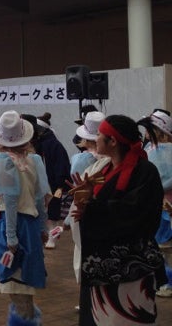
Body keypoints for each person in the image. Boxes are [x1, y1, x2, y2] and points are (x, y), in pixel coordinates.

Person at [70, 114, 167, 325]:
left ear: (112, 141)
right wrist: (86, 201)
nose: (95, 139)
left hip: (131, 266)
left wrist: (92, 206)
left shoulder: (144, 171)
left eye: (100, 136)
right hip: (101, 265)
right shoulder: (103, 168)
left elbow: (136, 212)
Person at [0, 110, 50, 326]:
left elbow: (10, 202)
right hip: (30, 224)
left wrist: (10, 238)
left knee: (17, 288)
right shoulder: (35, 160)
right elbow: (40, 198)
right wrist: (42, 228)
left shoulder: (3, 162)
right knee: (25, 289)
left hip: (13, 226)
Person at [66, 111, 108, 288]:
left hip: (84, 209)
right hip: (103, 211)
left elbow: (76, 188)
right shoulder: (112, 160)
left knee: (82, 251)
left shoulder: (80, 159)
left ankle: (87, 294)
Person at [137, 110, 172, 298]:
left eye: (151, 129)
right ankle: (163, 281)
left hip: (163, 205)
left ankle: (167, 283)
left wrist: (156, 188)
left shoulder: (159, 151)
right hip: (158, 204)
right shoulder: (150, 149)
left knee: (165, 247)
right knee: (161, 245)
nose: (147, 133)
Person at [33, 112, 71, 249]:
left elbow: (61, 165)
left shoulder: (54, 145)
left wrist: (60, 185)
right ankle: (44, 235)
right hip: (38, 183)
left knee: (53, 213)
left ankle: (52, 238)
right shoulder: (35, 144)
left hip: (52, 183)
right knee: (40, 211)